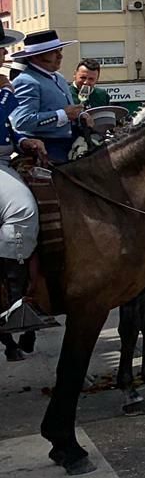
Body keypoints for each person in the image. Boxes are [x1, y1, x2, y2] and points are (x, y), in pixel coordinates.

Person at [0, 36, 45, 360]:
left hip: (7, 159)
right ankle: (13, 298)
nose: (3, 53)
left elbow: (11, 129)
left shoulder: (4, 89)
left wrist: (25, 140)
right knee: (22, 208)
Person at [9, 30, 86, 163]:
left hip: (71, 143)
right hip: (47, 148)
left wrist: (80, 116)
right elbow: (22, 121)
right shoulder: (26, 81)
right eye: (53, 52)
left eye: (60, 50)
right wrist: (62, 115)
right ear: (36, 56)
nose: (60, 56)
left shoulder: (58, 77)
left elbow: (67, 111)